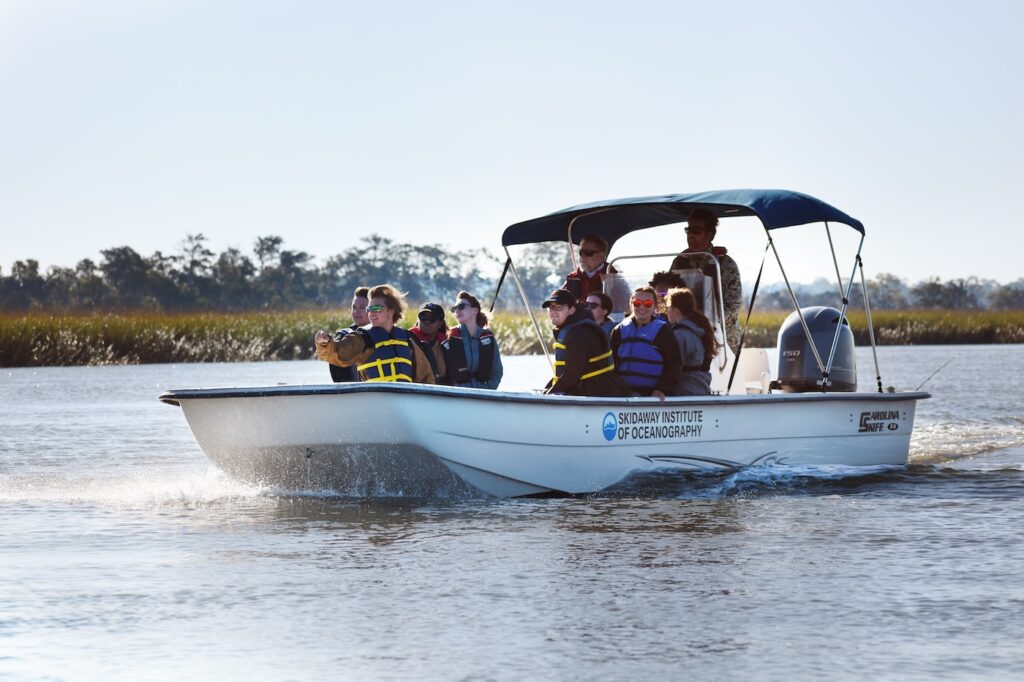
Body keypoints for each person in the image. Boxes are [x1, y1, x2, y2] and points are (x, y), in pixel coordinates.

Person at [313, 284, 436, 384]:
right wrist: (325, 344)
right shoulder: (362, 338)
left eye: (376, 309)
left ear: (391, 311)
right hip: (374, 401)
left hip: (404, 400)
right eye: (369, 309)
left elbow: (426, 377)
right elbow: (337, 353)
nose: (371, 313)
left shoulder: (407, 339)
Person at [669, 208, 742, 354]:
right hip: (686, 333)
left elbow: (733, 305)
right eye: (688, 230)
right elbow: (667, 297)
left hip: (721, 338)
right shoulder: (678, 262)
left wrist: (704, 322)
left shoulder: (725, 264)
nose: (690, 235)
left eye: (696, 231)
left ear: (710, 234)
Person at [543, 289, 632, 397]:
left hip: (597, 392)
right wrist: (547, 389)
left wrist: (549, 394)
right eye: (551, 308)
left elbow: (572, 374)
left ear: (571, 310)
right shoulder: (572, 328)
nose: (554, 312)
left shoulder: (579, 333)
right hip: (586, 389)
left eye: (559, 308)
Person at [610, 286, 682, 399]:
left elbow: (674, 364)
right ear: (631, 304)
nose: (642, 307)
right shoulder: (619, 330)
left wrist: (662, 389)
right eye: (637, 303)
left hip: (652, 397)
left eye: (648, 303)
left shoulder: (663, 331)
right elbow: (610, 364)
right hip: (622, 395)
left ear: (655, 306)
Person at [442, 291, 503, 390]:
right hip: (456, 395)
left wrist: (487, 390)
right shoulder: (449, 336)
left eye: (461, 306)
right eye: (454, 308)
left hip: (483, 395)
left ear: (475, 310)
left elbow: (497, 372)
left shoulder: (488, 337)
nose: (457, 310)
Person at [666, 287, 720, 396]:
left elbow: (672, 367)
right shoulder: (699, 329)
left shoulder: (680, 335)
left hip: (685, 392)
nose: (666, 312)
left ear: (675, 310)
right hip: (700, 388)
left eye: (667, 308)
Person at [562, 234, 630, 314]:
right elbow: (561, 303)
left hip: (605, 324)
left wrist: (610, 290)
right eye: (581, 252)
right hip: (579, 323)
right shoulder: (573, 278)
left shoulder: (615, 278)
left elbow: (627, 309)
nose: (583, 257)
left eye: (588, 253)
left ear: (601, 256)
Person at [327, 286, 370, 383]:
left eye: (362, 308)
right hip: (352, 393)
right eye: (354, 307)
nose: (356, 311)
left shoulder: (382, 332)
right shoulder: (343, 335)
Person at [408, 302, 450, 385]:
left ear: (440, 323)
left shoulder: (446, 345)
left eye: (432, 318)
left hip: (442, 391)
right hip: (416, 391)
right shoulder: (408, 341)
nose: (426, 322)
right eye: (423, 317)